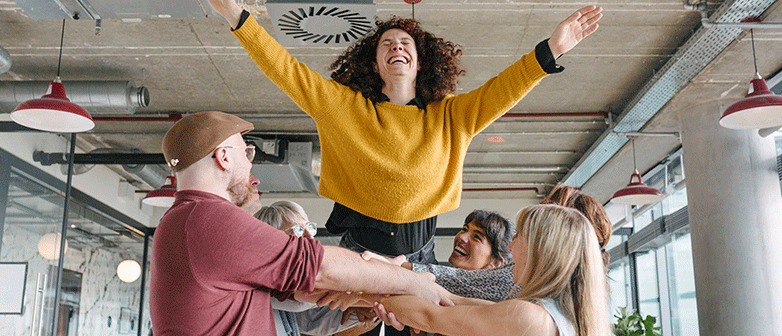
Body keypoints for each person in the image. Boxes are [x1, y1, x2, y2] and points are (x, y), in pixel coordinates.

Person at [205, 0, 603, 268]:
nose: (397, 45)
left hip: (420, 257)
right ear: (376, 64)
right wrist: (239, 18)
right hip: (356, 253)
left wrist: (552, 48)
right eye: (387, 44)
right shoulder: (343, 107)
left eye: (405, 42)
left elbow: (504, 89)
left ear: (419, 61)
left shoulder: (451, 116)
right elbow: (284, 69)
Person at [149, 111, 451, 336]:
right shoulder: (209, 220)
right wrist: (410, 280)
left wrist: (365, 291)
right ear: (223, 158)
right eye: (247, 152)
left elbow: (300, 291)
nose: (250, 163)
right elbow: (318, 266)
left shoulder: (185, 220)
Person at [373, 204, 610, 336]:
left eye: (519, 237)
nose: (510, 246)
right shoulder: (553, 314)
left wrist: (365, 289)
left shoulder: (531, 318)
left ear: (542, 251)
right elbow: (456, 300)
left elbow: (431, 314)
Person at [403, 184, 613, 302]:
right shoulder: (574, 300)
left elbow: (458, 282)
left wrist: (392, 271)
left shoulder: (529, 296)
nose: (513, 248)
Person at [254, 200, 379, 336]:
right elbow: (307, 300)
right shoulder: (263, 280)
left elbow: (311, 321)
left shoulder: (294, 285)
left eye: (310, 228)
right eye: (298, 230)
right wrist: (367, 296)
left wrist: (359, 308)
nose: (311, 236)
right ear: (272, 240)